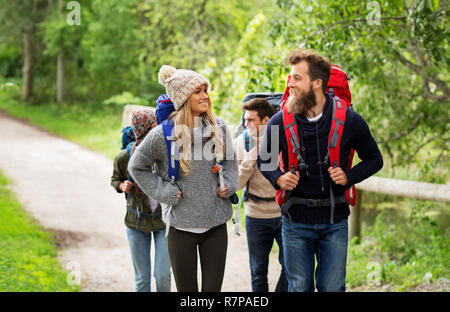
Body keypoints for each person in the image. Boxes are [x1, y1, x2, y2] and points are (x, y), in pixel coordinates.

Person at [257, 49, 383, 292]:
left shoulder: (350, 119)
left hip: (335, 220)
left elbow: (374, 159)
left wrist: (349, 176)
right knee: (300, 287)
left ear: (317, 83)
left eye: (296, 78)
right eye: (290, 77)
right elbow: (265, 160)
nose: (289, 84)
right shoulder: (279, 121)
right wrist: (279, 178)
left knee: (332, 287)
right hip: (294, 220)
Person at [128, 65, 238, 292]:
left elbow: (229, 163)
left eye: (205, 89)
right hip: (180, 228)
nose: (205, 95)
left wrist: (227, 184)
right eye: (197, 91)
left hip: (216, 225)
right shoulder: (162, 134)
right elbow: (136, 166)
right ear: (183, 97)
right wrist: (163, 192)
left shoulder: (220, 128)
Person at [111, 110, 172, 292]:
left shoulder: (165, 154)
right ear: (144, 131)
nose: (158, 132)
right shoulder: (124, 157)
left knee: (162, 275)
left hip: (163, 221)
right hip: (136, 222)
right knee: (142, 279)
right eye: (154, 127)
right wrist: (122, 186)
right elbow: (115, 179)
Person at [233, 98, 288, 292]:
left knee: (290, 266)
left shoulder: (284, 140)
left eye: (250, 120)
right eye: (245, 119)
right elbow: (235, 185)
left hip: (284, 213)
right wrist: (248, 162)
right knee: (257, 271)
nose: (245, 124)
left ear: (266, 120)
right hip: (255, 215)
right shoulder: (241, 143)